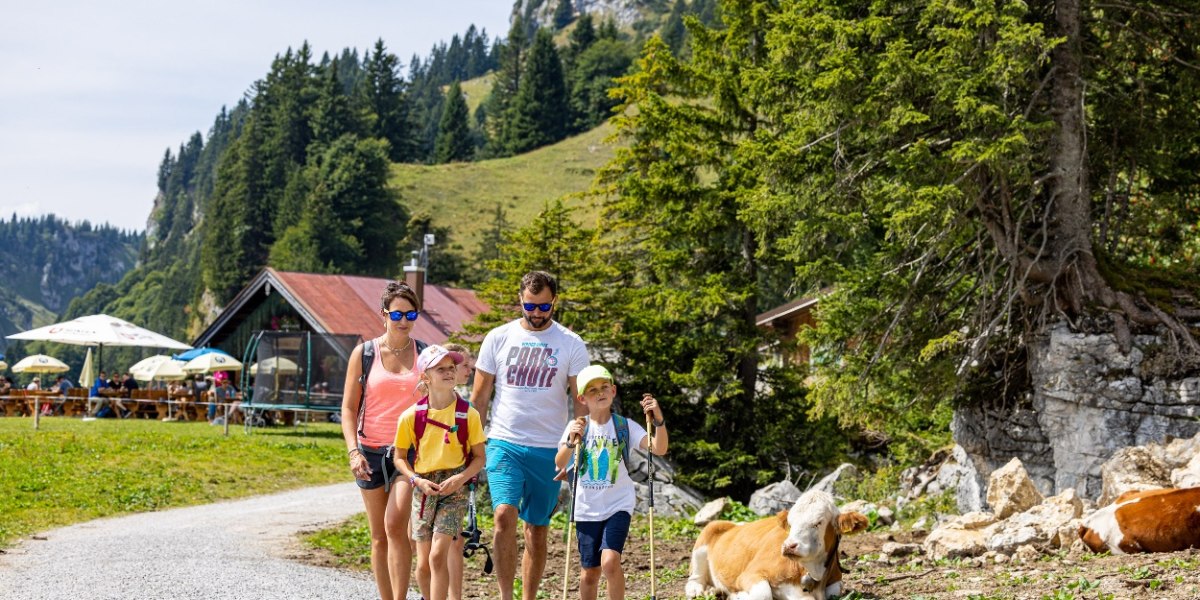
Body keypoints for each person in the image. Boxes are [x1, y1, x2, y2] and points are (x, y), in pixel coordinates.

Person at [471, 270, 590, 600]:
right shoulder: (498, 338)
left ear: (554, 302)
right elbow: (479, 399)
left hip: (550, 449)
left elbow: (581, 403)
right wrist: (472, 444)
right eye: (529, 306)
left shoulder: (571, 343)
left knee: (537, 530)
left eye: (543, 307)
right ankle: (506, 596)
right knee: (503, 516)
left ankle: (528, 597)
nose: (536, 314)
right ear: (519, 301)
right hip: (504, 442)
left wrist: (577, 446)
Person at [341, 281, 428, 600]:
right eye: (397, 314)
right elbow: (349, 408)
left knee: (396, 526)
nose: (403, 320)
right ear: (384, 314)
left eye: (410, 314)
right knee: (379, 536)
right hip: (369, 451)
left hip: (410, 454)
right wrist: (353, 451)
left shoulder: (425, 355)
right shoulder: (364, 353)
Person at [555, 366, 669, 600]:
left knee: (610, 562)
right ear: (582, 398)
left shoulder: (625, 426)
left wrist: (658, 420)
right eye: (593, 390)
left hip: (618, 505)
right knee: (589, 573)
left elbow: (659, 448)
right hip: (586, 509)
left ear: (613, 390)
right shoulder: (578, 426)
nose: (600, 393)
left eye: (604, 387)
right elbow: (559, 461)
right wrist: (570, 441)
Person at [393, 345, 486, 600]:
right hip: (423, 488)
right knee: (422, 564)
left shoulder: (469, 415)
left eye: (451, 368)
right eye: (440, 369)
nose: (448, 373)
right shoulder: (411, 416)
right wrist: (416, 480)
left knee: (437, 555)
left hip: (453, 487)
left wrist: (460, 478)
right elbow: (399, 457)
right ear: (425, 376)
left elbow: (479, 458)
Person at [441, 342, 475, 600]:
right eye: (466, 365)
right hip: (429, 479)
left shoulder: (465, 406)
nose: (470, 370)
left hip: (457, 479)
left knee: (454, 540)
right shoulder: (427, 404)